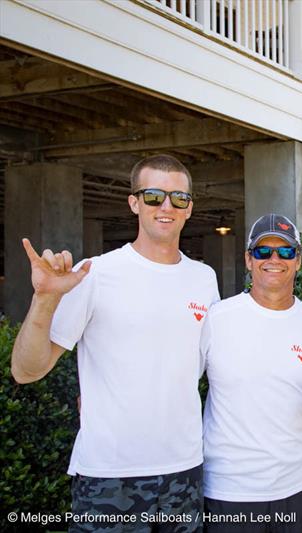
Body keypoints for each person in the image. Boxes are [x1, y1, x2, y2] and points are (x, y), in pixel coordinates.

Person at [11, 154, 219, 531]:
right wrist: (44, 299)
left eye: (179, 198)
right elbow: (26, 371)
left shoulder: (204, 279)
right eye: (154, 196)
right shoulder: (95, 273)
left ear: (190, 208)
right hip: (108, 475)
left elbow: (218, 367)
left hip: (184, 470)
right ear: (134, 202)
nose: (167, 207)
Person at [201, 214, 302, 532]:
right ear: (248, 260)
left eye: (285, 252)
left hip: (296, 487)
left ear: (298, 261)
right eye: (263, 251)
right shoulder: (216, 318)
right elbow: (179, 383)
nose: (274, 259)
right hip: (229, 491)